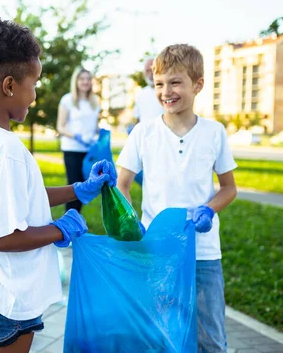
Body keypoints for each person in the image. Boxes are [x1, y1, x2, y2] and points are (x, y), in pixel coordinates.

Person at [0, 19, 117, 352]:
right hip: (9, 294)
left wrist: (79, 190)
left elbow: (23, 199)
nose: (35, 95)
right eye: (34, 84)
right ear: (9, 86)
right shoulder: (6, 150)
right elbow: (4, 237)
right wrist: (60, 230)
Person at [116, 44, 237, 353]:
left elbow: (228, 187)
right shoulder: (143, 133)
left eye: (175, 82)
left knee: (210, 338)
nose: (165, 91)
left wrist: (209, 210)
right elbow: (122, 185)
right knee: (160, 335)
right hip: (157, 250)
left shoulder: (214, 132)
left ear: (197, 85)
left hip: (204, 253)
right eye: (159, 83)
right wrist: (133, 224)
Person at [56, 67, 101, 212]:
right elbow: (60, 127)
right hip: (72, 149)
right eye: (82, 79)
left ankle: (76, 219)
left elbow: (94, 127)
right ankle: (68, 222)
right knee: (74, 187)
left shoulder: (94, 102)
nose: (85, 82)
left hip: (89, 151)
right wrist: (76, 136)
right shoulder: (67, 100)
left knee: (84, 187)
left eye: (88, 79)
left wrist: (101, 133)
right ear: (76, 81)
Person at [132, 56, 164, 125]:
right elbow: (137, 119)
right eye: (147, 71)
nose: (151, 74)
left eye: (153, 70)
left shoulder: (167, 92)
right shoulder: (140, 94)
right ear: (144, 73)